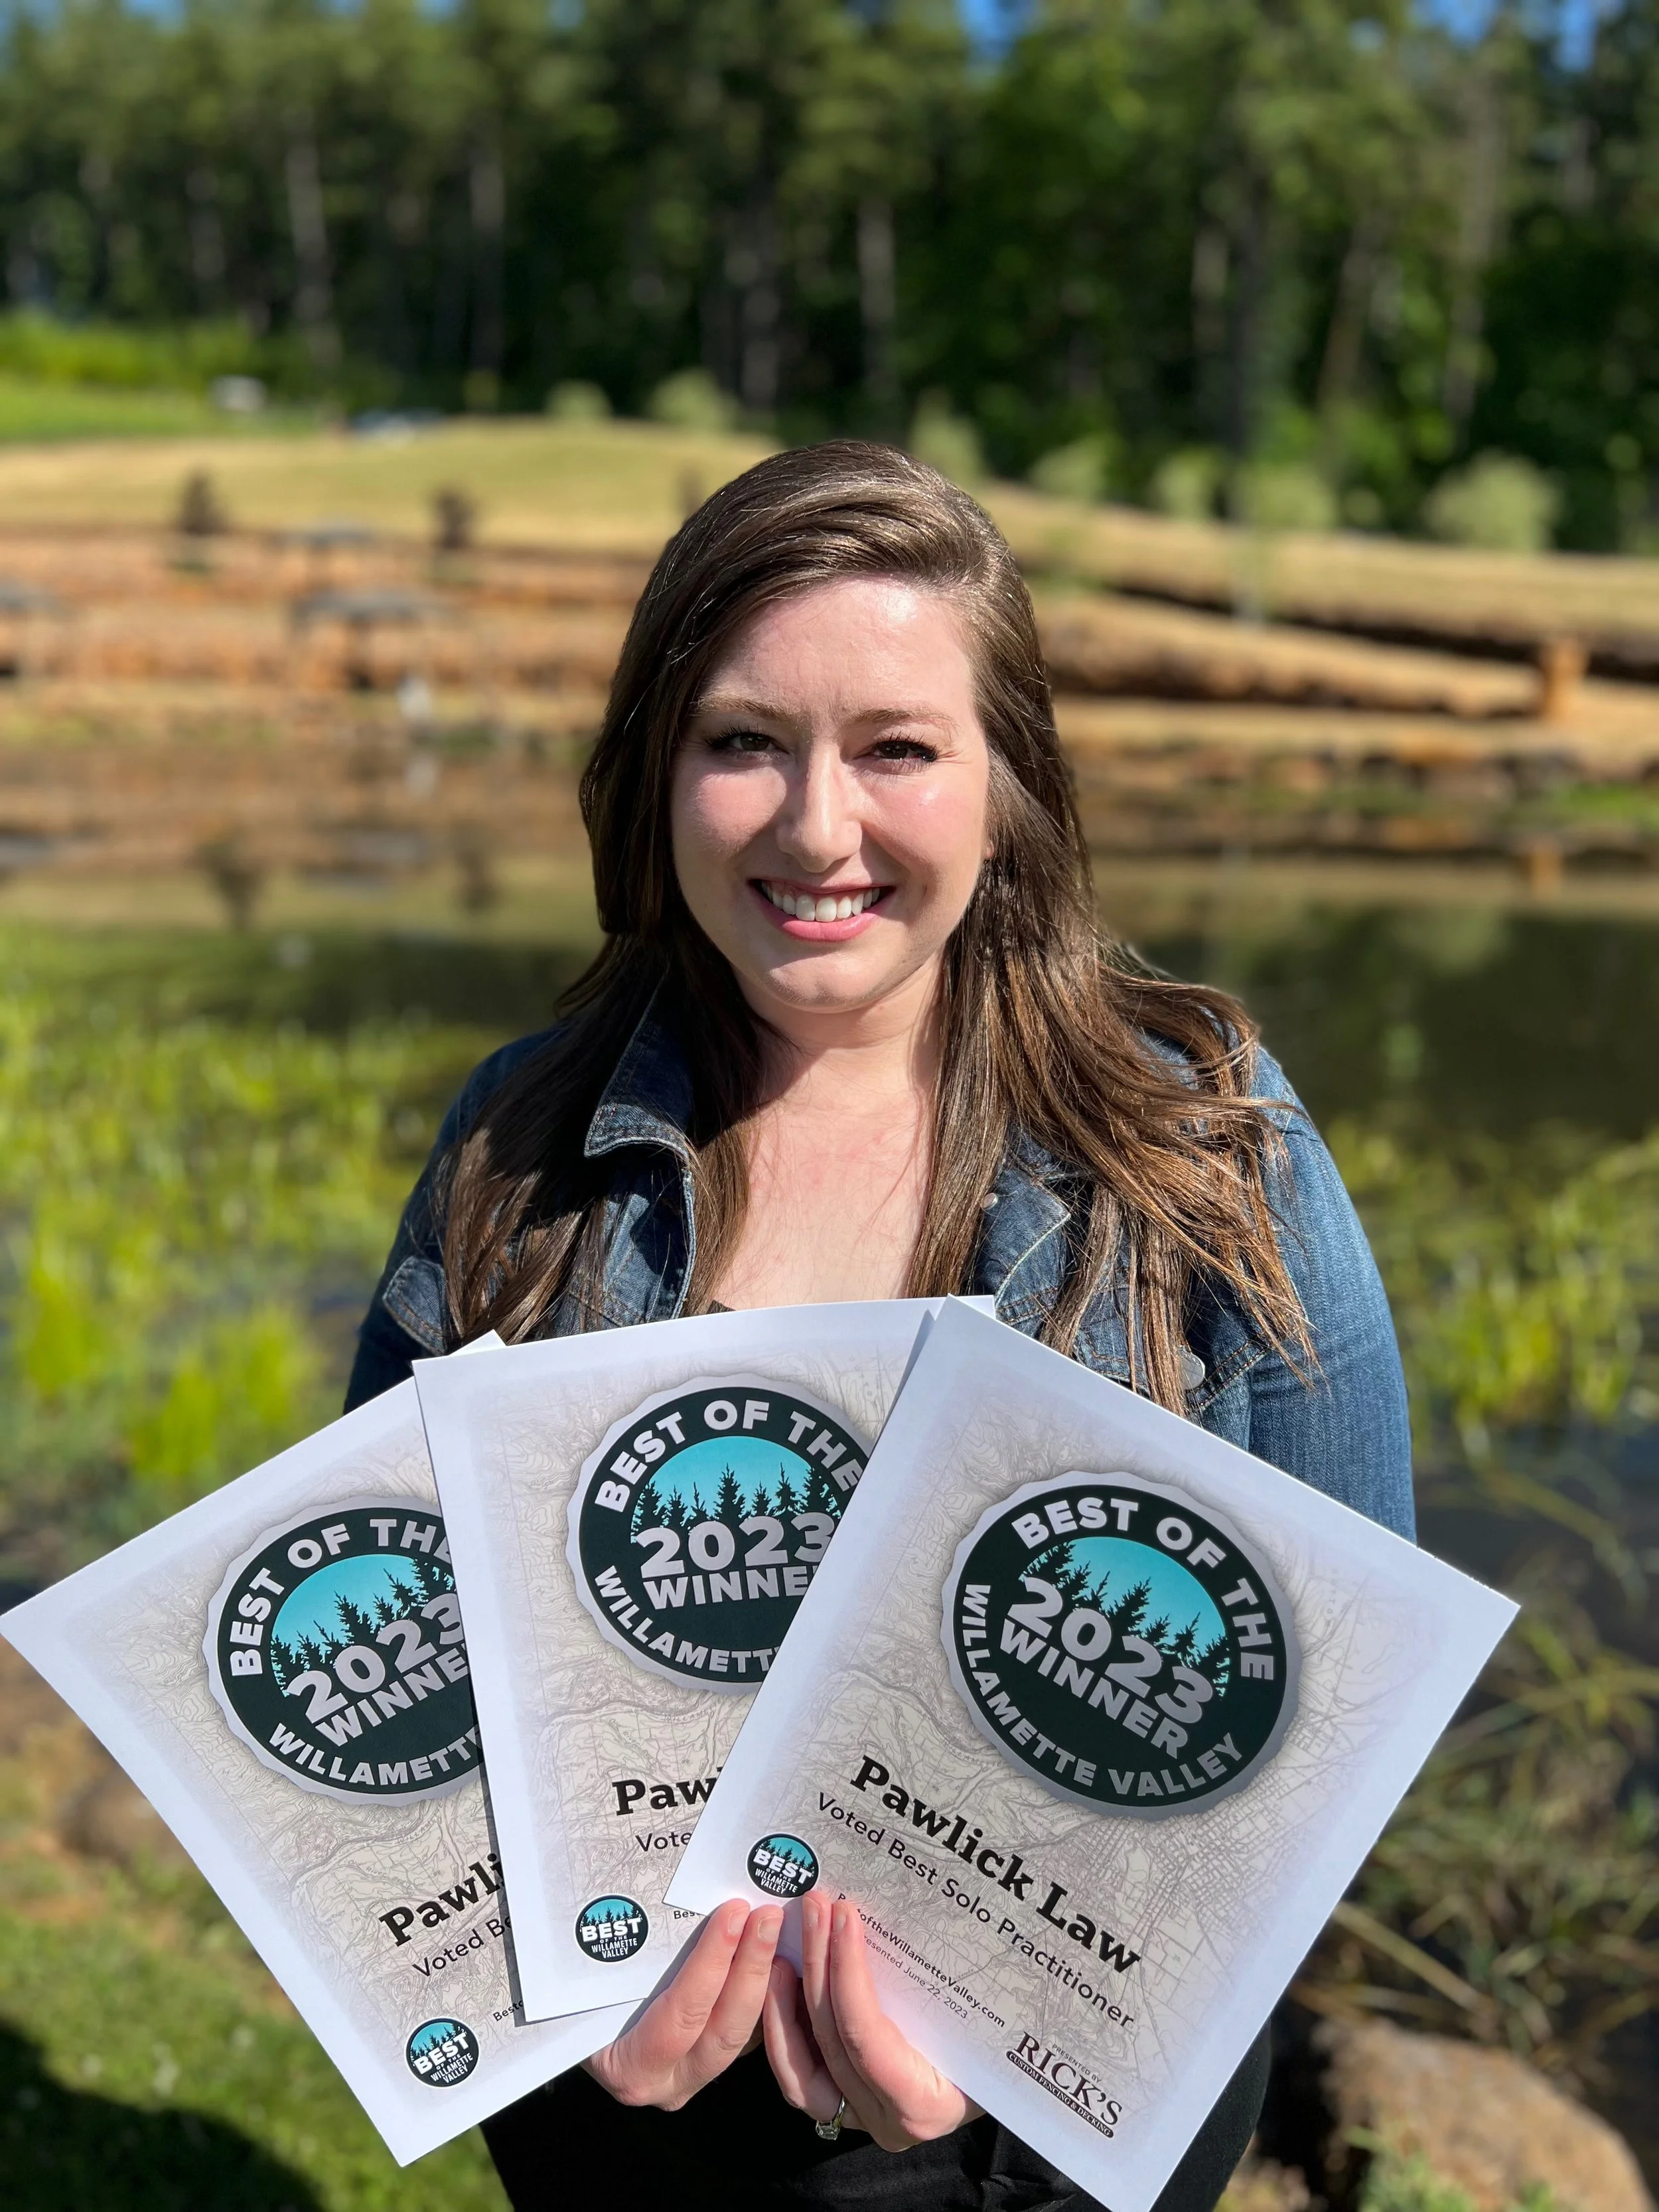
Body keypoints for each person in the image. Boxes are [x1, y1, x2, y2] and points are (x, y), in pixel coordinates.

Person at [346, 442, 1413, 2211]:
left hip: (1050, 2138)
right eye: (742, 739)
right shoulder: (513, 1146)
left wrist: (1010, 2013)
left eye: (896, 747)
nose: (814, 825)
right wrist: (537, 2011)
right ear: (654, 773)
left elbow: (1341, 1712)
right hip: (631, 2104)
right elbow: (395, 1703)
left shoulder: (1206, 1141)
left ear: (1006, 790)